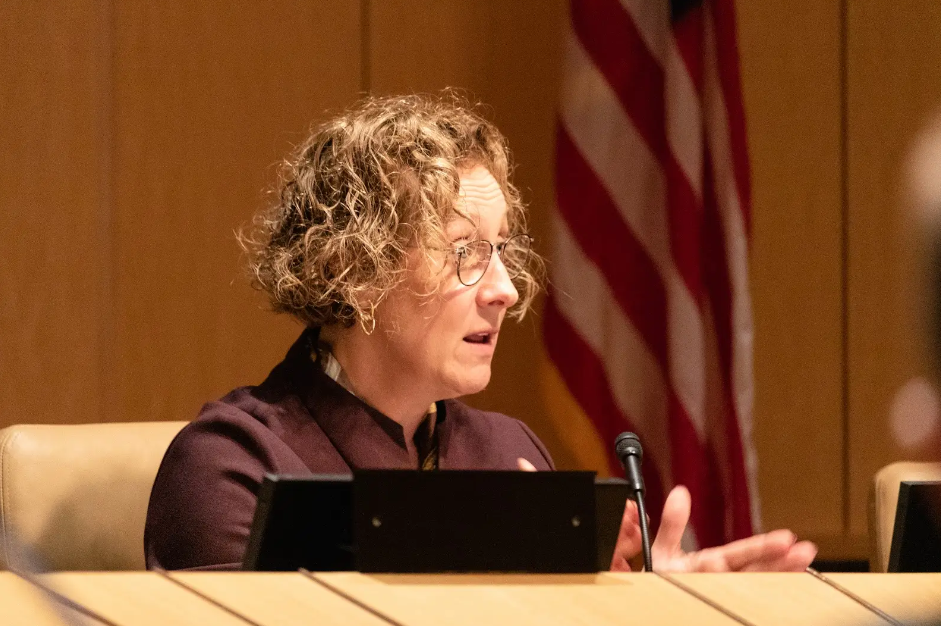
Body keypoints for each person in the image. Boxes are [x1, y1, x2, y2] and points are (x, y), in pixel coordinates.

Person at [144, 92, 817, 572]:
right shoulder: (233, 467)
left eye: (501, 251)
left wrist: (645, 615)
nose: (505, 289)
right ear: (351, 268)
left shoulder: (504, 450)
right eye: (463, 251)